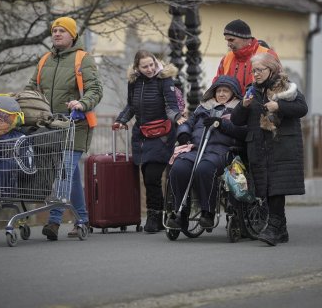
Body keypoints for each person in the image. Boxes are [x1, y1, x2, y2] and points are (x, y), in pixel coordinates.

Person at [26, 16, 103, 240]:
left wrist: (82, 103)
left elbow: (96, 89)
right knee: (70, 175)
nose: (57, 34)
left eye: (62, 31)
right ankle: (83, 220)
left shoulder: (83, 59)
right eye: (54, 30)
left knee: (63, 172)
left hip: (76, 125)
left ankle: (54, 220)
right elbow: (31, 88)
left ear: (73, 35)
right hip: (50, 127)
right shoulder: (44, 61)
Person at [231, 52, 308, 246]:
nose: (255, 74)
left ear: (271, 69)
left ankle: (274, 228)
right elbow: (236, 120)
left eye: (259, 70)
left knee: (276, 186)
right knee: (266, 187)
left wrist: (279, 106)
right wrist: (242, 105)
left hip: (280, 145)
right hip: (258, 145)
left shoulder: (286, 87)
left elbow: (302, 108)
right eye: (253, 70)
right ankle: (280, 229)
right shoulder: (251, 91)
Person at [113, 50, 184, 233]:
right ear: (137, 68)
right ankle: (157, 216)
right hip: (142, 134)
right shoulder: (134, 81)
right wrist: (121, 120)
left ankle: (155, 216)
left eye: (151, 64)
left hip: (162, 134)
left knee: (153, 175)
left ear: (155, 63)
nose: (150, 69)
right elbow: (131, 105)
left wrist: (177, 118)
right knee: (147, 177)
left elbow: (170, 106)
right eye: (145, 66)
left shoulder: (164, 79)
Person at [166, 75, 247, 229]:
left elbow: (243, 131)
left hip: (222, 151)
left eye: (226, 91)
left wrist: (221, 123)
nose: (222, 94)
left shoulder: (239, 110)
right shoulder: (203, 108)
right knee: (179, 168)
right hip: (196, 149)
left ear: (233, 93)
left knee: (204, 168)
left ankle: (207, 213)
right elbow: (188, 123)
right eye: (219, 90)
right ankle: (180, 213)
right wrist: (183, 133)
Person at [214, 19, 279, 95]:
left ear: (245, 38)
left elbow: (279, 84)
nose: (228, 44)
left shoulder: (268, 54)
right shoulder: (226, 58)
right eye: (227, 40)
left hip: (260, 105)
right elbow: (216, 86)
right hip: (232, 106)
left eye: (231, 40)